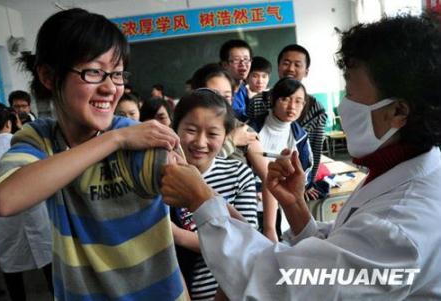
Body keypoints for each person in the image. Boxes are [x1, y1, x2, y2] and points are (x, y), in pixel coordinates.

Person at [161, 12, 441, 300]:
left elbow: (282, 286)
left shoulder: (400, 226)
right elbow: (337, 253)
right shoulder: (400, 171)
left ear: (398, 112)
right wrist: (296, 207)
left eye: (352, 93)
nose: (344, 106)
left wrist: (202, 202)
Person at [0, 8, 187, 301]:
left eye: (117, 73)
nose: (110, 87)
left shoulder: (142, 140)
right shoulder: (40, 139)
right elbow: (4, 200)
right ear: (48, 75)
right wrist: (114, 140)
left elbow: (189, 188)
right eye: (94, 71)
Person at [169, 89, 257, 300]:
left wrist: (176, 234)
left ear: (227, 136)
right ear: (175, 129)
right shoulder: (161, 177)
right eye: (190, 130)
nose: (200, 142)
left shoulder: (238, 175)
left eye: (212, 134)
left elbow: (245, 245)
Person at [190, 63, 281, 240]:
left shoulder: (244, 132)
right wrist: (230, 142)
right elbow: (193, 172)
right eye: (213, 96)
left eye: (227, 96)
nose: (221, 104)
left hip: (239, 228)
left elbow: (270, 179)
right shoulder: (186, 133)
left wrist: (270, 229)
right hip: (194, 225)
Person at [0, 102, 53, 301]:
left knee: (11, 269)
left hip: (2, 219)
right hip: (37, 212)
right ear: (9, 123)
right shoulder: (26, 146)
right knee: (49, 265)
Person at [248, 44, 327, 185]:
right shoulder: (258, 101)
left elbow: (314, 151)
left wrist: (307, 185)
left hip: (291, 179)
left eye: (297, 65)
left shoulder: (317, 110)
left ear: (306, 71)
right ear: (278, 66)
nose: (290, 69)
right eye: (286, 63)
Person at [249, 77, 313, 239]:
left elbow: (304, 171)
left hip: (283, 203)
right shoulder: (252, 129)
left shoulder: (300, 136)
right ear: (273, 99)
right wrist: (255, 189)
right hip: (251, 203)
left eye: (298, 101)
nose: (292, 107)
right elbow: (239, 166)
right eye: (285, 99)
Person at [219, 39, 252, 122]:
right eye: (236, 60)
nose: (243, 64)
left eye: (246, 59)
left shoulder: (244, 89)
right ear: (225, 65)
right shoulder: (221, 93)